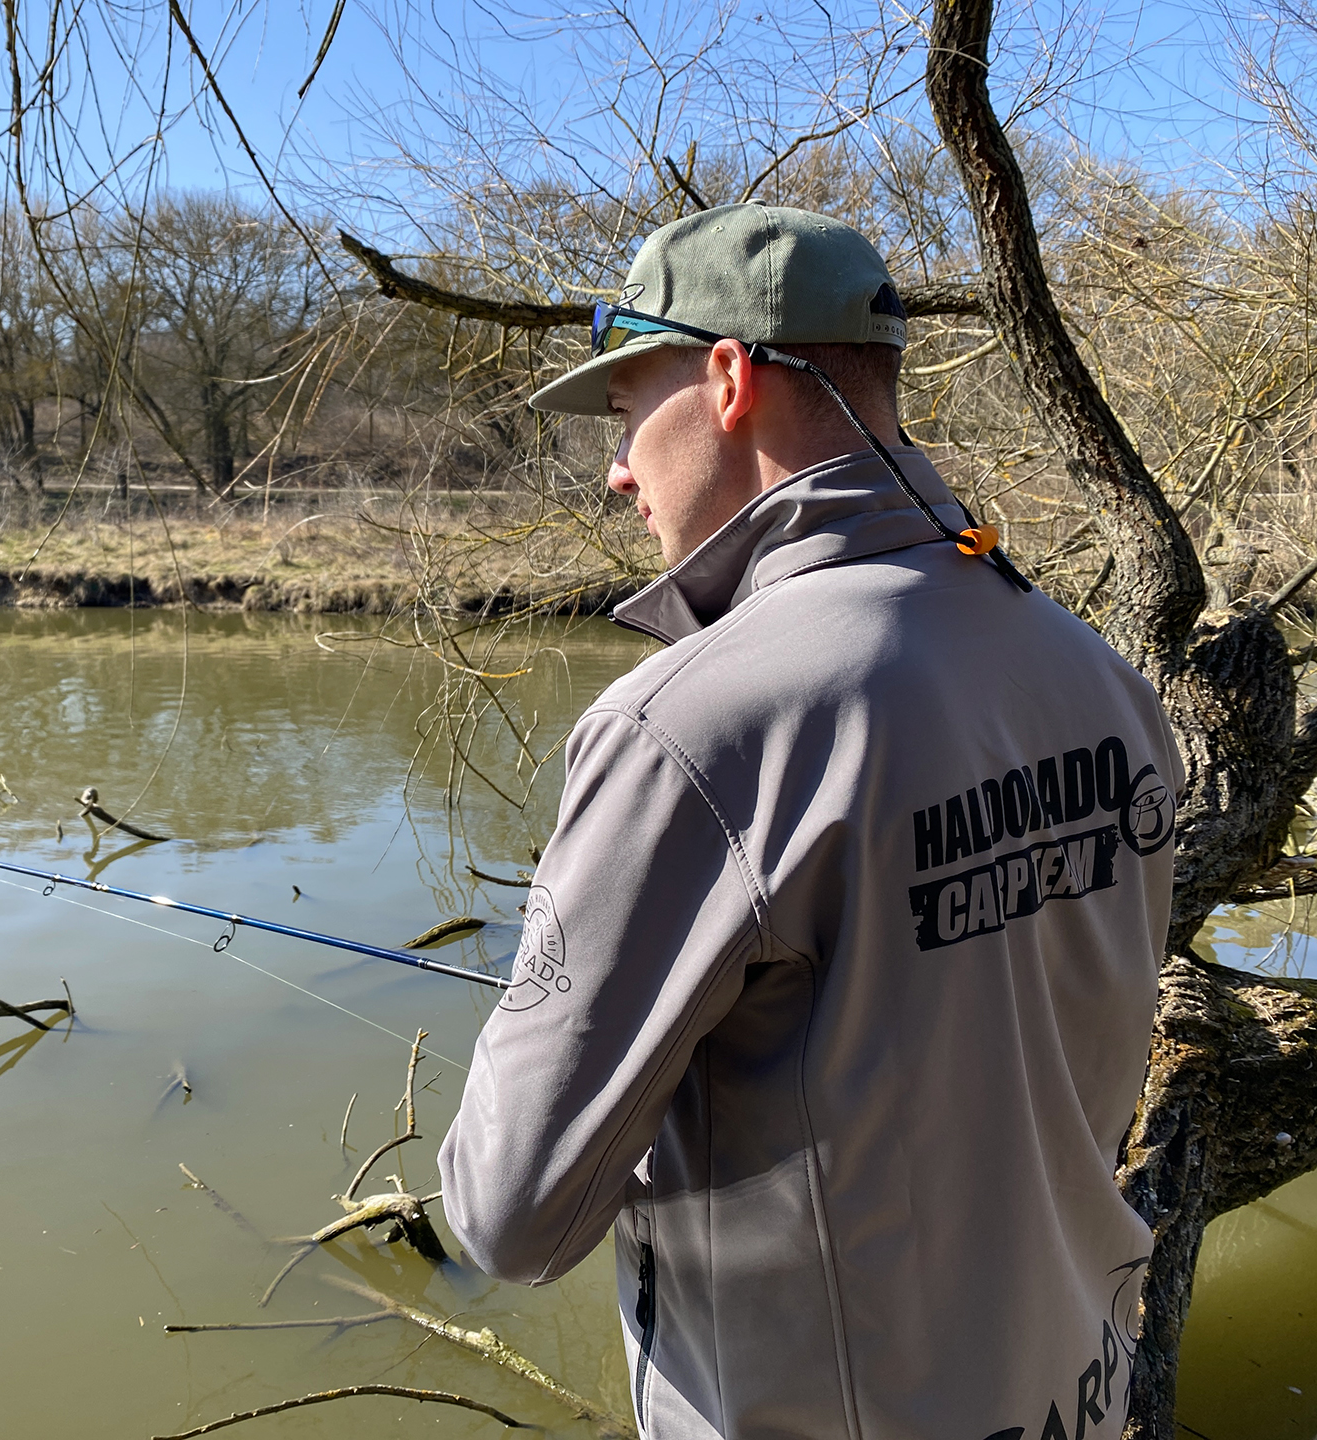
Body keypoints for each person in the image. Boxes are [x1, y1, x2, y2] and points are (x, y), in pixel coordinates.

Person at [437, 203, 1179, 1440]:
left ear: (727, 378)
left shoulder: (686, 731)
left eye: (626, 409)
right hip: (1084, 1398)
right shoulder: (1094, 673)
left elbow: (506, 1214)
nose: (617, 467)